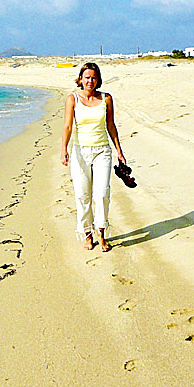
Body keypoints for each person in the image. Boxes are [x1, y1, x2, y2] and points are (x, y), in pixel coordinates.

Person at [60, 62, 126, 251]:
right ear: (80, 79)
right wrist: (64, 149)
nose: (90, 81)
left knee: (102, 193)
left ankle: (101, 234)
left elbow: (111, 126)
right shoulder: (72, 99)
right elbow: (67, 127)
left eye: (93, 77)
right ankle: (87, 234)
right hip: (80, 152)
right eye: (87, 77)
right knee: (82, 195)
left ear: (98, 80)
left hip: (102, 152)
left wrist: (119, 151)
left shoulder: (106, 99)